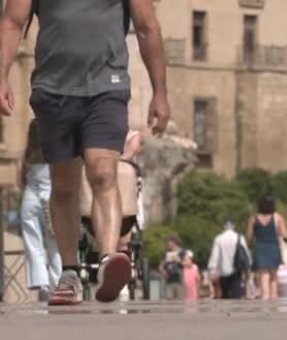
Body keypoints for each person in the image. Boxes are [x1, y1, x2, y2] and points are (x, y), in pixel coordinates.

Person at [0, 0, 170, 305]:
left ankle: (107, 259)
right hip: (53, 88)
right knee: (64, 184)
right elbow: (12, 22)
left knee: (103, 171)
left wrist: (160, 92)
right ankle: (69, 273)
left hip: (108, 85)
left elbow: (147, 27)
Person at [19, 119, 61, 302]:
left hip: (31, 193)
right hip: (49, 193)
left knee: (32, 240)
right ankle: (56, 283)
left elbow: (20, 180)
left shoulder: (28, 154)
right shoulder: (56, 153)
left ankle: (41, 282)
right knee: (54, 242)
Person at [246, 196, 287, 300]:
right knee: (274, 275)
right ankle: (274, 298)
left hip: (260, 247)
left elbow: (249, 236)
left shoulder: (254, 218)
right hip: (273, 247)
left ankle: (265, 298)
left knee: (263, 274)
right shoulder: (277, 217)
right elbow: (284, 233)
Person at [208, 221, 251, 300]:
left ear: (224, 226)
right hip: (237, 271)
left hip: (223, 272)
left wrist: (212, 271)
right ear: (234, 226)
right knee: (237, 297)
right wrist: (248, 269)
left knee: (225, 296)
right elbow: (246, 254)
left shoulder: (219, 238)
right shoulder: (240, 237)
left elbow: (215, 256)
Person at [159, 234, 187, 300]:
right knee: (169, 303)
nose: (166, 244)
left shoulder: (182, 252)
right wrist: (163, 272)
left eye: (167, 242)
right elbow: (161, 266)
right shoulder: (165, 253)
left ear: (173, 242)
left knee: (180, 302)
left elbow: (188, 263)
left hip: (179, 281)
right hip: (169, 281)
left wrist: (179, 260)